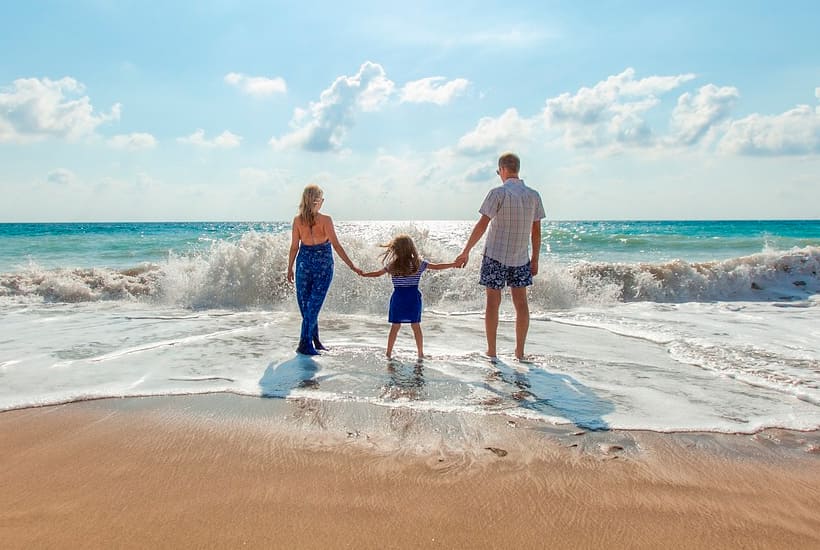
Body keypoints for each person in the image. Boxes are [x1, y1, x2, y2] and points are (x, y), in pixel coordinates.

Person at [454, 152, 545, 361]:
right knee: (521, 304)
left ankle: (492, 351)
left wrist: (466, 250)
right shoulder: (534, 195)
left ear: (503, 169)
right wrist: (536, 259)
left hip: (495, 255)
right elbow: (536, 232)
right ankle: (519, 352)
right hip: (521, 257)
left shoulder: (497, 193)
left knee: (492, 304)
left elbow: (482, 225)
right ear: (517, 169)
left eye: (498, 171)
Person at [287, 184, 361, 355]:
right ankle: (304, 344)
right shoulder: (325, 220)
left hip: (304, 263)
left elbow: (294, 247)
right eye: (321, 198)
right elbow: (335, 245)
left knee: (309, 306)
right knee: (311, 306)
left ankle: (315, 341)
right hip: (322, 265)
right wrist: (352, 265)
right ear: (319, 201)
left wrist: (290, 267)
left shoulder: (298, 220)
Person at [361, 234, 457, 360]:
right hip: (413, 299)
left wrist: (363, 274)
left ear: (395, 249)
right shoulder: (418, 264)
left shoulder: (392, 265)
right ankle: (420, 354)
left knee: (395, 327)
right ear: (411, 248)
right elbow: (437, 266)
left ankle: (388, 353)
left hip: (398, 298)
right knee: (416, 326)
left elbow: (377, 274)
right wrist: (453, 264)